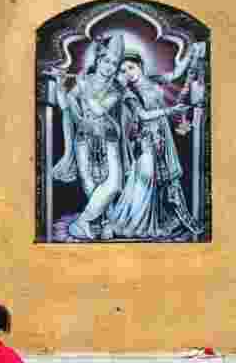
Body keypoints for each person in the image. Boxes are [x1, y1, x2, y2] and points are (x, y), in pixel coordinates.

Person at [104, 46, 204, 240]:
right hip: (146, 139)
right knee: (146, 180)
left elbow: (176, 73)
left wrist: (191, 54)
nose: (128, 73)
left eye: (131, 67)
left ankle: (165, 219)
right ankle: (137, 224)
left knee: (164, 180)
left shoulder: (154, 79)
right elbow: (143, 116)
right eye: (123, 71)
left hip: (162, 134)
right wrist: (171, 111)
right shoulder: (129, 94)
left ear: (140, 65)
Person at [52, 33, 127, 240]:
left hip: (108, 136)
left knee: (113, 184)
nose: (109, 67)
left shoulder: (117, 87)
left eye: (114, 63)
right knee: (89, 184)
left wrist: (84, 89)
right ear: (99, 60)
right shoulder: (85, 80)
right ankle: (103, 223)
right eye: (106, 61)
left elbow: (100, 110)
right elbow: (66, 105)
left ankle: (83, 221)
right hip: (84, 136)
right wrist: (59, 84)